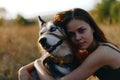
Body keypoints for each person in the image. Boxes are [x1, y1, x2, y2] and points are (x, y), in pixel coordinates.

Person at [18, 8, 120, 80]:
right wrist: (24, 69)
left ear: (92, 28)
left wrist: (38, 64)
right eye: (71, 34)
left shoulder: (102, 53)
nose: (77, 38)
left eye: (82, 30)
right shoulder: (88, 50)